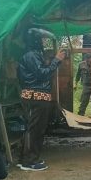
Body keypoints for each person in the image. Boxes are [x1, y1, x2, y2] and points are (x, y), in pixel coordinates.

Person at [17, 28, 66, 171]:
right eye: (40, 40)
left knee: (32, 128)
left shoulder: (30, 55)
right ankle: (30, 161)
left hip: (34, 96)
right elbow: (42, 74)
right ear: (36, 41)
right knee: (35, 130)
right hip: (36, 97)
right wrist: (56, 61)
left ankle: (26, 159)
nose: (42, 43)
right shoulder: (32, 55)